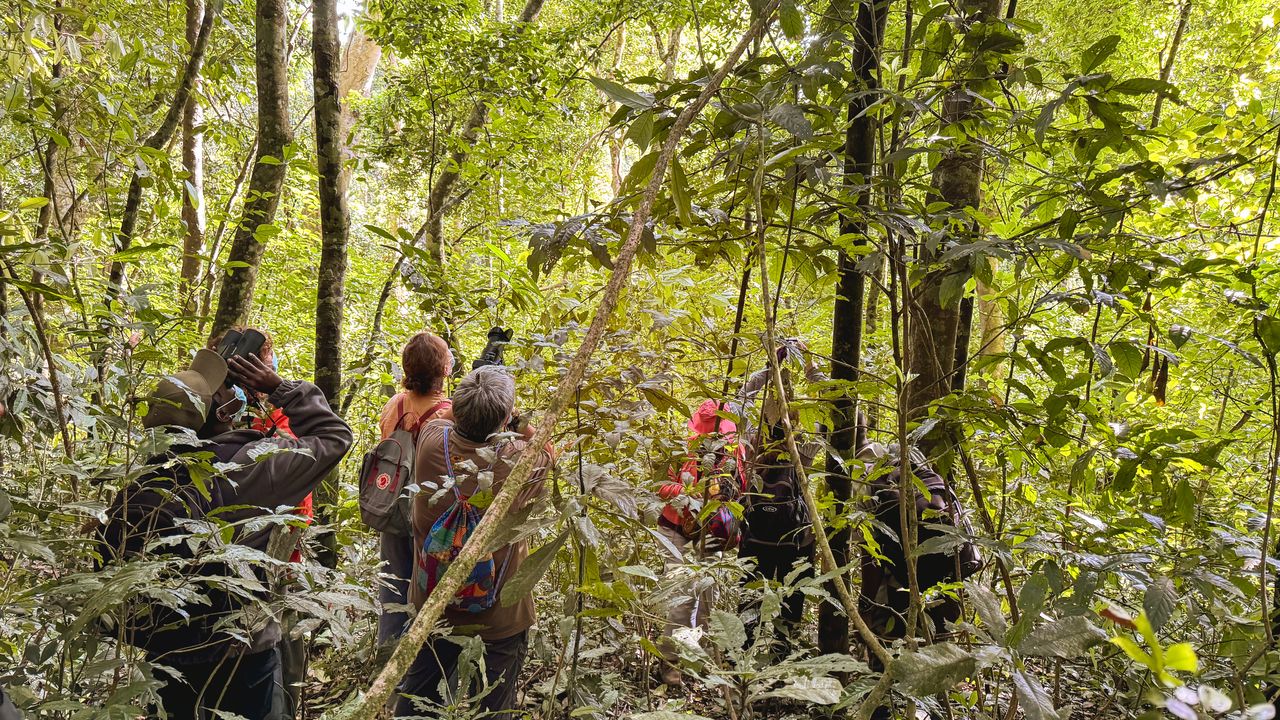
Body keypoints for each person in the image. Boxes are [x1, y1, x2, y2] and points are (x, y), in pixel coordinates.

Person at [127, 349, 353, 719]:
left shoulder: (146, 477)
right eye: (221, 392)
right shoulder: (251, 467)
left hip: (167, 646)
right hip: (240, 650)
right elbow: (334, 436)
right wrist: (281, 388)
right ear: (222, 413)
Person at [395, 365, 553, 719]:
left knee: (417, 700)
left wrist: (481, 403)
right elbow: (547, 448)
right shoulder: (522, 463)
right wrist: (517, 420)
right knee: (494, 706)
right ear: (504, 419)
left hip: (434, 606)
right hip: (500, 616)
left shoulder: (432, 439)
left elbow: (448, 414)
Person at [654, 399, 747, 687]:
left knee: (709, 599)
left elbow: (744, 485)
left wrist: (730, 492)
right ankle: (671, 661)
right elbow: (661, 486)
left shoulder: (736, 450)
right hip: (677, 528)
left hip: (714, 531)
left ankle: (705, 658)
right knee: (682, 599)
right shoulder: (684, 449)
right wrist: (693, 492)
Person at [376, 332, 455, 647]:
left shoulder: (394, 404)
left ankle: (387, 656)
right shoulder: (448, 413)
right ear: (443, 370)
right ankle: (419, 660)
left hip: (391, 505)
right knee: (425, 591)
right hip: (429, 512)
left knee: (392, 587)